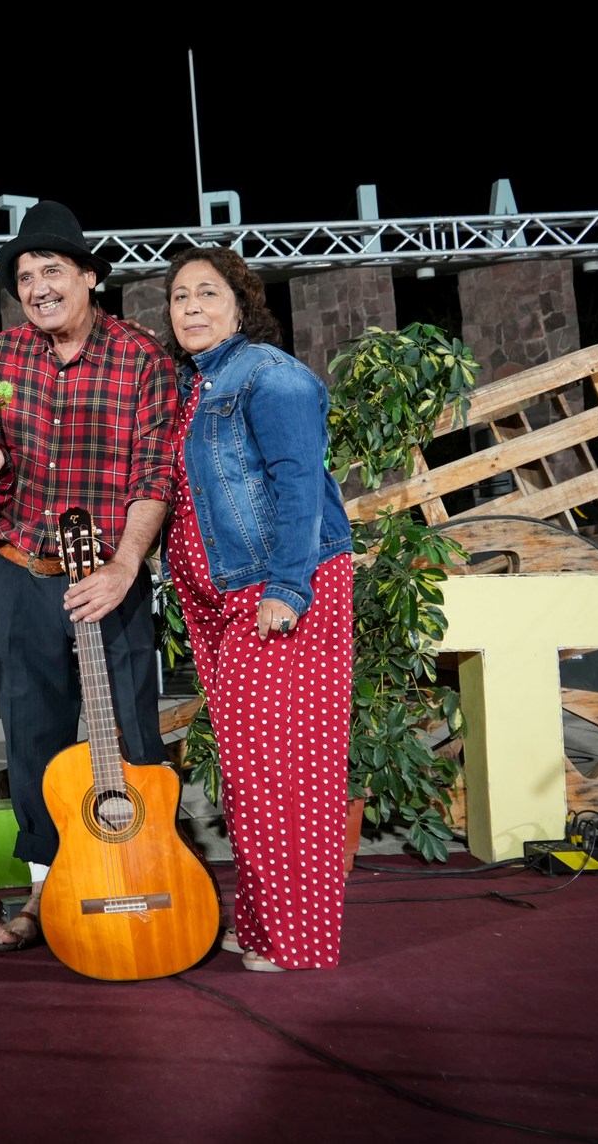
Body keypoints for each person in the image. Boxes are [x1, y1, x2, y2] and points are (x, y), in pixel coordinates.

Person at [0, 201, 178, 954]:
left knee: (134, 736)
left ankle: (144, 872)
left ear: (89, 276)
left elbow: (156, 474)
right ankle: (48, 886)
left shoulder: (141, 359)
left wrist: (124, 566)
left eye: (53, 270)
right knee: (32, 741)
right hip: (22, 573)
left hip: (109, 577)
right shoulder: (0, 355)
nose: (39, 287)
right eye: (25, 276)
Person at [160, 247, 354, 971]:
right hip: (222, 603)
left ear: (241, 305)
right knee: (250, 772)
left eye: (208, 293)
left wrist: (286, 586)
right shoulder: (195, 384)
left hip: (276, 593)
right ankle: (267, 922)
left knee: (288, 772)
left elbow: (301, 486)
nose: (192, 308)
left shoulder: (270, 375)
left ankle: (298, 941)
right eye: (180, 297)